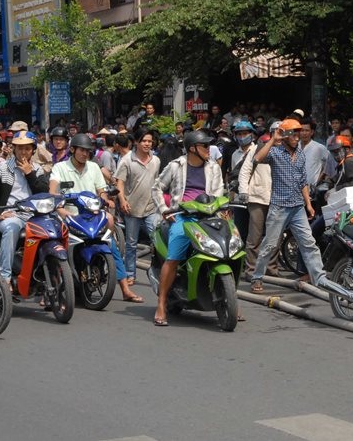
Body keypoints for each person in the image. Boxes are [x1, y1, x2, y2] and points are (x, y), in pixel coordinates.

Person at [50, 132, 144, 304]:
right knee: (55, 248)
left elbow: (101, 191)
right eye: (81, 150)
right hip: (68, 217)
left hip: (91, 216)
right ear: (73, 150)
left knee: (111, 245)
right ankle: (51, 291)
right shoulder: (60, 168)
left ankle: (125, 289)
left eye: (88, 151)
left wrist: (105, 200)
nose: (85, 154)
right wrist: (60, 207)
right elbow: (53, 190)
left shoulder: (93, 167)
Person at [151, 129, 225, 326]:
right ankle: (161, 303)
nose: (209, 149)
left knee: (228, 249)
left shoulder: (213, 167)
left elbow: (219, 190)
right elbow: (157, 188)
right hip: (182, 218)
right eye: (205, 146)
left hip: (209, 217)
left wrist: (218, 206)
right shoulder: (176, 165)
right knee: (173, 258)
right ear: (192, 148)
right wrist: (164, 210)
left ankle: (229, 299)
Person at [249, 119, 327, 293]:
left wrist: (308, 204)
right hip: (279, 207)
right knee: (269, 245)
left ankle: (319, 278)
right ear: (284, 136)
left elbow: (302, 181)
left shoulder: (300, 154)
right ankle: (257, 277)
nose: (297, 137)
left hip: (298, 207)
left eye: (298, 133)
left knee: (308, 243)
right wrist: (273, 139)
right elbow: (257, 159)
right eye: (293, 133)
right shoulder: (275, 152)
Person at [0, 130, 49, 287]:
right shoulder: (3, 168)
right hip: (13, 216)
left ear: (33, 150)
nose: (23, 152)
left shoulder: (37, 169)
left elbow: (44, 192)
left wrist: (29, 173)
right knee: (11, 228)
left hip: (35, 216)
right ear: (14, 149)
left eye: (27, 148)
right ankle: (5, 277)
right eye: (20, 148)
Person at [113, 128, 161, 285]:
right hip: (132, 209)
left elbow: (157, 183)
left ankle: (160, 272)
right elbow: (119, 183)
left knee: (158, 241)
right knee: (131, 244)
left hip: (151, 208)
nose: (147, 144)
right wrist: (122, 200)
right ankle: (130, 274)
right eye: (144, 141)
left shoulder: (156, 160)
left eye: (149, 141)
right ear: (136, 142)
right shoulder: (126, 160)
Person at [238, 129, 278, 280]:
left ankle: (271, 269)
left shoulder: (285, 150)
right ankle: (251, 270)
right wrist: (243, 191)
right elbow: (245, 171)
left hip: (277, 198)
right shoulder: (257, 148)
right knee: (254, 237)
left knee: (274, 236)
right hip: (257, 197)